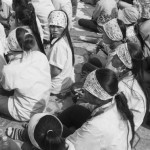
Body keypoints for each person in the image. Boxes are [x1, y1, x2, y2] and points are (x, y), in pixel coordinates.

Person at [58, 68, 135, 150]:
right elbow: (94, 108)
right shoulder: (114, 100)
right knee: (76, 109)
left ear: (96, 97)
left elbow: (70, 146)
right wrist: (82, 103)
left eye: (86, 90)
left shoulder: (95, 126)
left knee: (53, 129)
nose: (83, 90)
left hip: (96, 136)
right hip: (106, 139)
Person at [0, 27, 51, 121]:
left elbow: (6, 88)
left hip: (24, 112)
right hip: (41, 105)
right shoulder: (40, 56)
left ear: (10, 47)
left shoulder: (10, 69)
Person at [106, 42, 147, 130]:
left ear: (124, 64)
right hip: (129, 123)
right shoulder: (131, 76)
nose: (113, 57)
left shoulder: (122, 86)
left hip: (124, 128)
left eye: (116, 56)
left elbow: (110, 112)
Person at [6, 113, 75, 150]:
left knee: (25, 146)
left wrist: (13, 147)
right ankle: (32, 130)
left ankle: (25, 134)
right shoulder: (68, 145)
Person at [48, 10, 75, 95]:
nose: (55, 30)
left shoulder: (58, 46)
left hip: (57, 87)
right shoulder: (66, 38)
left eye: (58, 26)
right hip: (66, 82)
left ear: (64, 26)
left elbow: (55, 72)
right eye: (52, 26)